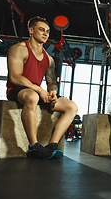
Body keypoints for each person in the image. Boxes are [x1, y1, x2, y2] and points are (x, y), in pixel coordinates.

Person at [6, 16, 78, 160]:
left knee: (71, 107)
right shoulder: (19, 49)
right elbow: (15, 77)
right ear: (31, 30)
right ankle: (34, 146)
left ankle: (52, 144)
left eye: (47, 31)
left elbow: (51, 82)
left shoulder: (48, 58)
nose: (45, 33)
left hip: (37, 92)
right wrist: (39, 90)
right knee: (33, 97)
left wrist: (53, 92)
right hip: (18, 90)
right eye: (41, 30)